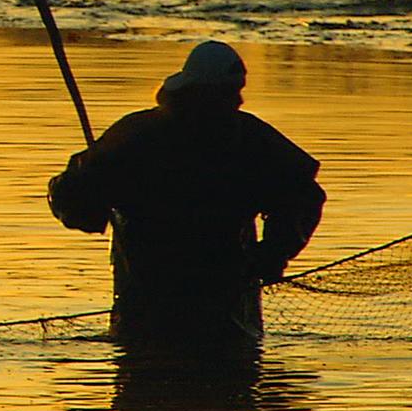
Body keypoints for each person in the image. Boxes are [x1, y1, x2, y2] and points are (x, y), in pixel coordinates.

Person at [47, 40, 325, 344]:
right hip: (208, 313)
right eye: (229, 92)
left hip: (166, 311)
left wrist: (271, 255)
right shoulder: (247, 139)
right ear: (203, 92)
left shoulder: (138, 135)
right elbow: (301, 197)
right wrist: (272, 255)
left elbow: (72, 196)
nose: (239, 100)